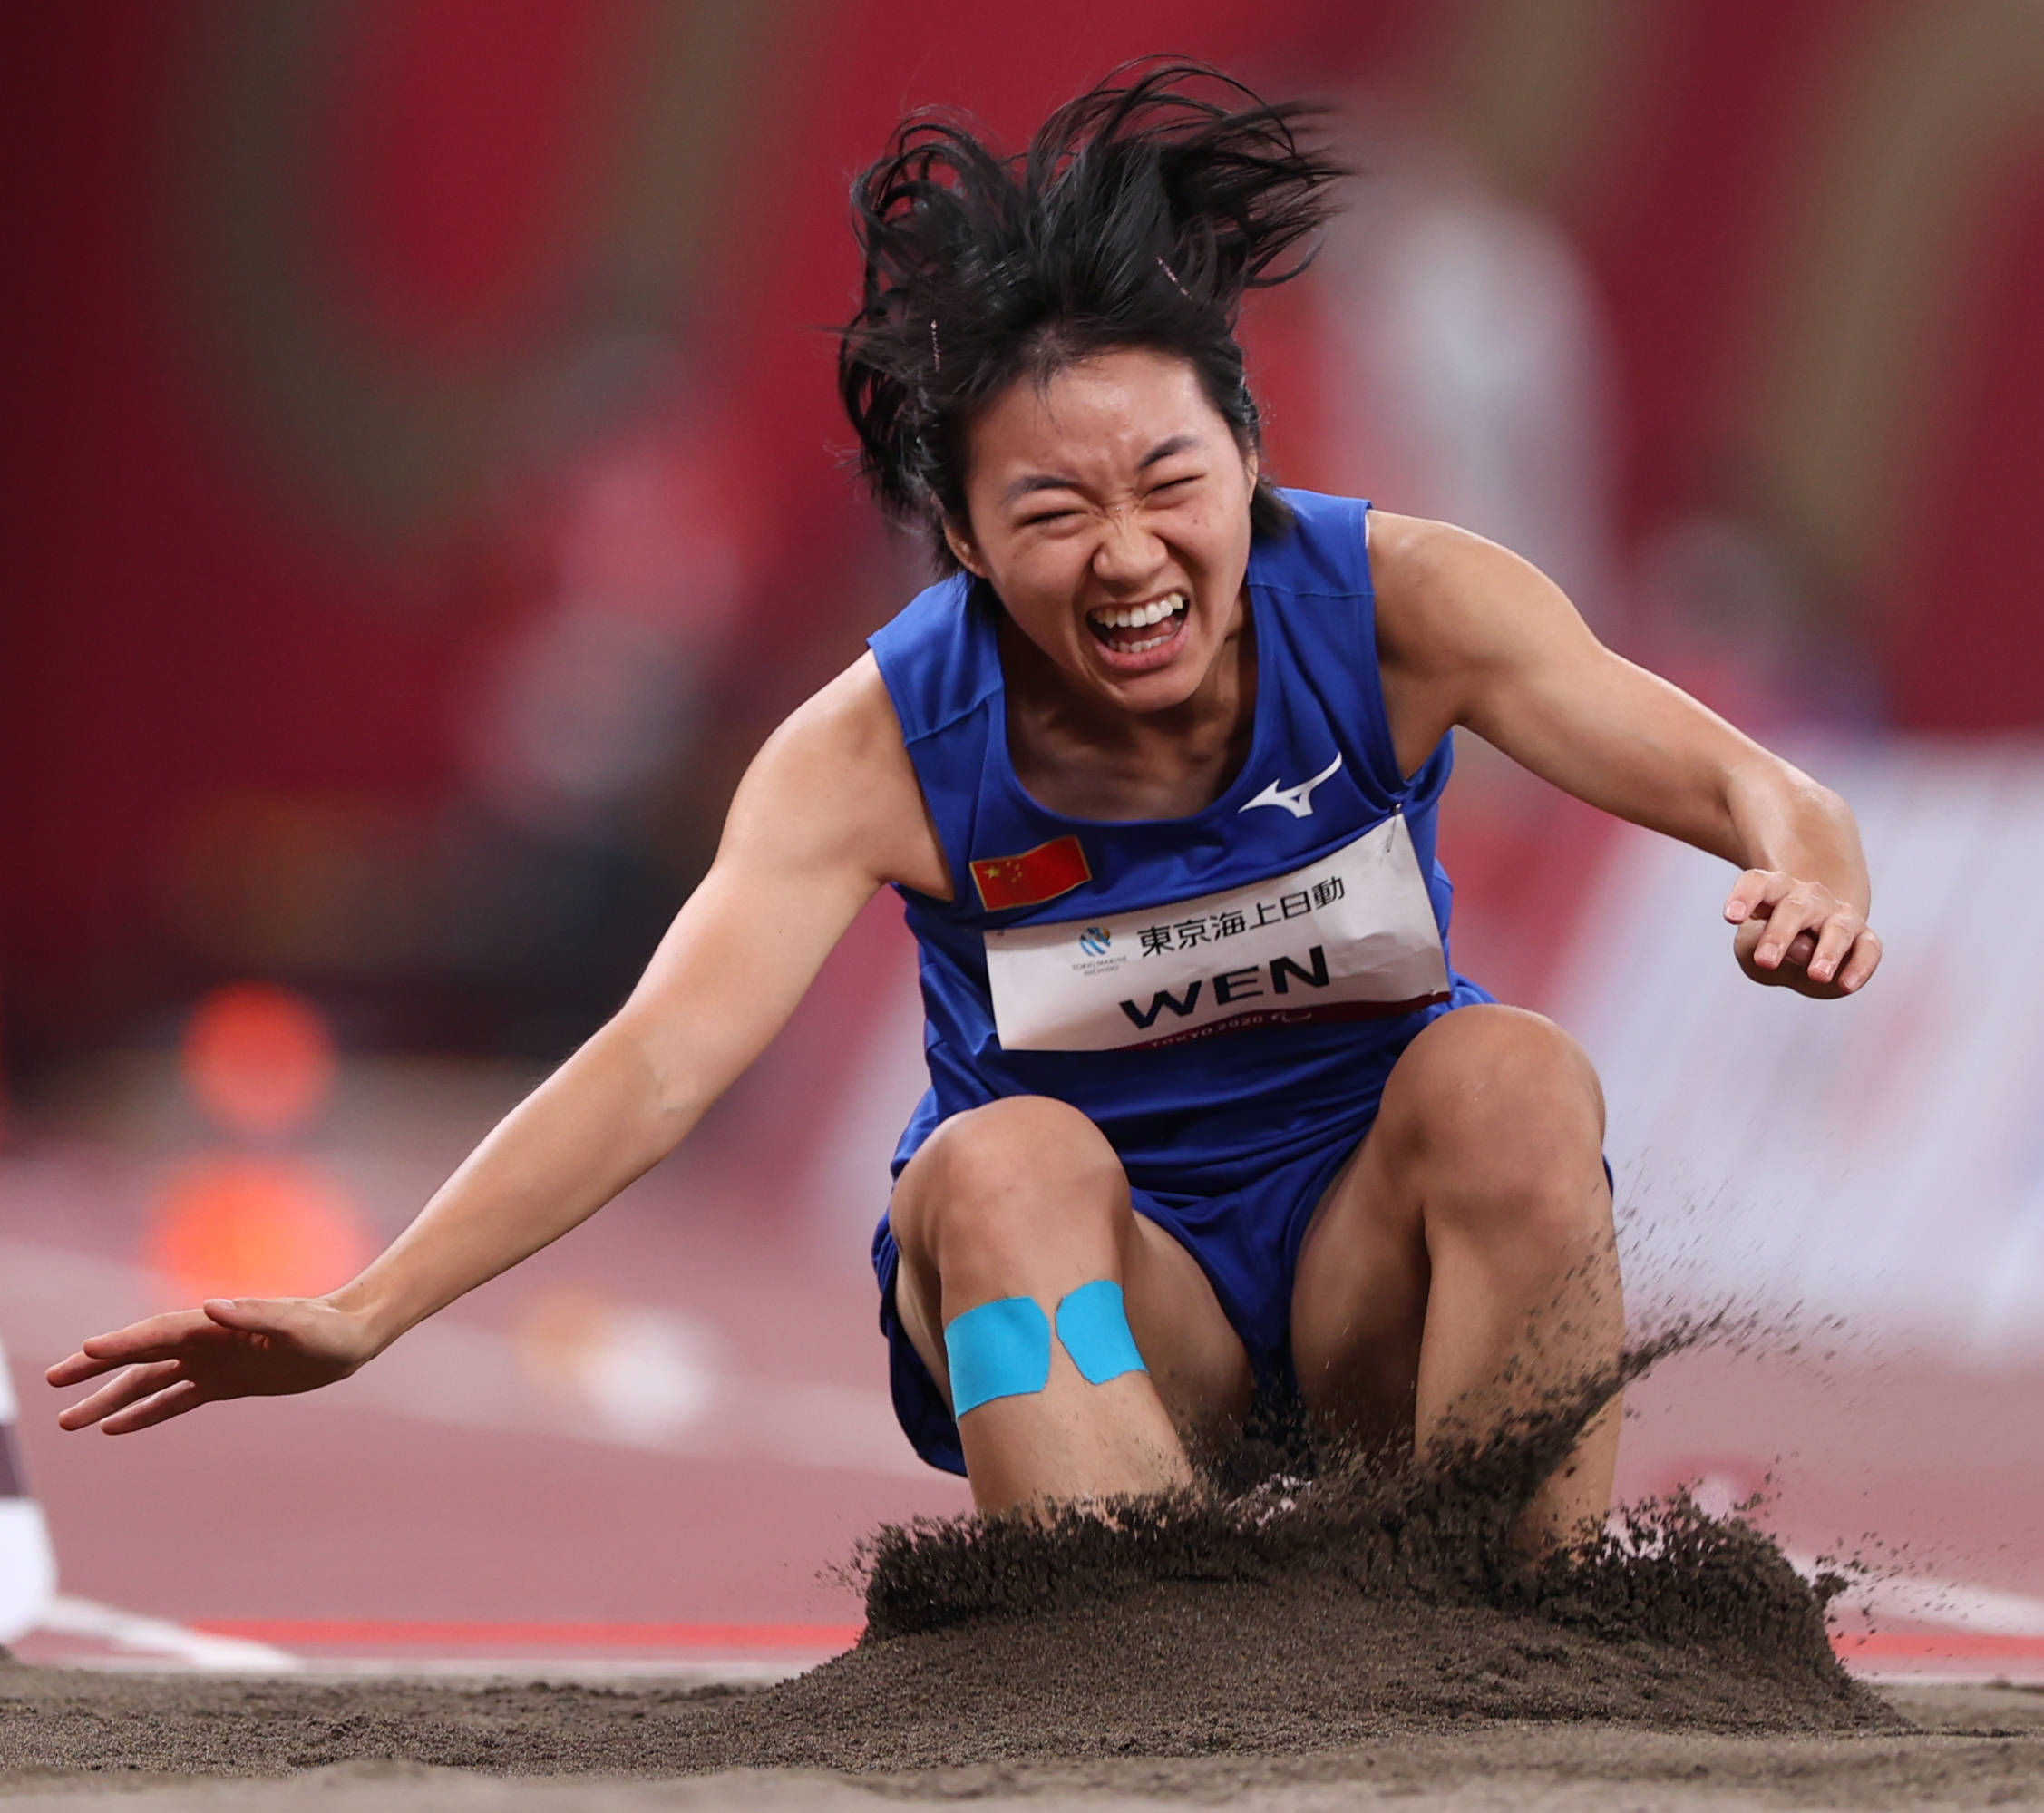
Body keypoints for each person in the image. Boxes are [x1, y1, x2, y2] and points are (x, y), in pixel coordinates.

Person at [47, 64, 1879, 1548]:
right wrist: (369, 1305)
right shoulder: (876, 743)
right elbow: (658, 1060)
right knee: (989, 1163)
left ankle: (1518, 1635)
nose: (1129, 556)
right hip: (1093, 1312)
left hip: (1357, 1294)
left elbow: (1745, 779)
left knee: (1514, 1074)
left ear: (1244, 456)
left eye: (1168, 481)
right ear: (958, 539)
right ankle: (1133, 1657)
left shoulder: (1406, 604)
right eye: (1050, 512)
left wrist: (1806, 869)